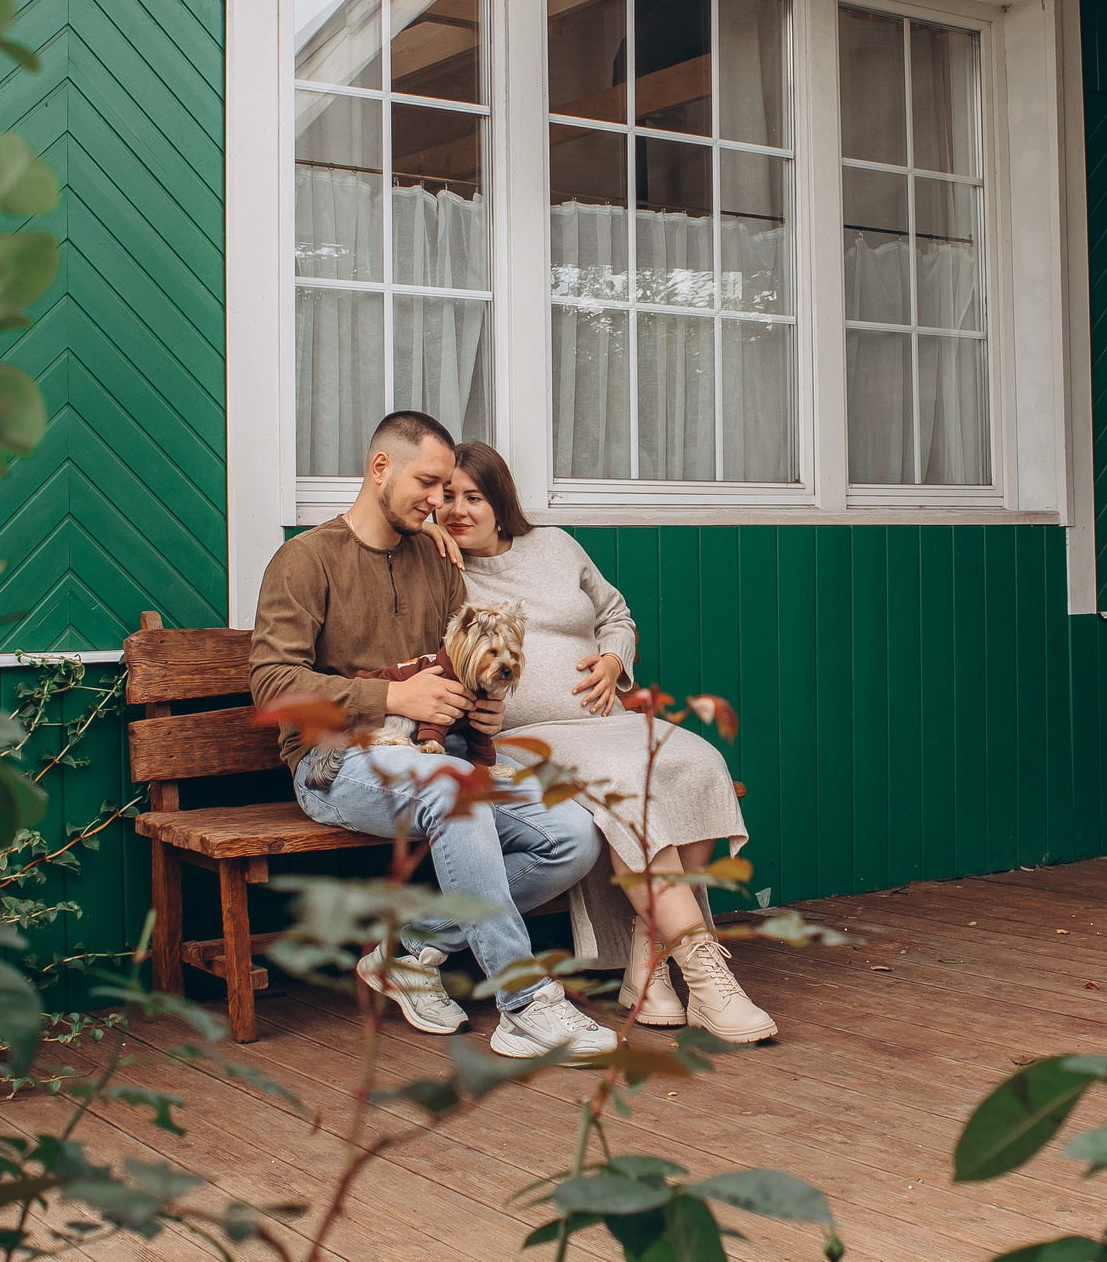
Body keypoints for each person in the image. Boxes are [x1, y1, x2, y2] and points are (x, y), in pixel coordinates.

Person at [249, 410, 616, 1058]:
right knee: (453, 787)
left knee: (572, 835)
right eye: (430, 482)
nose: (441, 501)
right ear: (380, 468)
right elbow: (273, 683)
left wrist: (483, 707)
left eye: (447, 487)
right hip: (334, 765)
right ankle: (525, 1000)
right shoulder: (304, 559)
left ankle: (410, 949)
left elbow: (465, 661)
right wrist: (390, 695)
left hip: (437, 756)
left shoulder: (437, 562)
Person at [442, 441, 777, 1045]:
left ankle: (648, 969)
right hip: (521, 738)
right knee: (630, 784)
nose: (459, 511)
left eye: (474, 497)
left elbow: (615, 612)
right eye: (446, 499)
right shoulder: (441, 571)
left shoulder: (556, 545)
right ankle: (703, 976)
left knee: (698, 762)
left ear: (500, 501)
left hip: (605, 723)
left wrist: (612, 659)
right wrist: (431, 549)